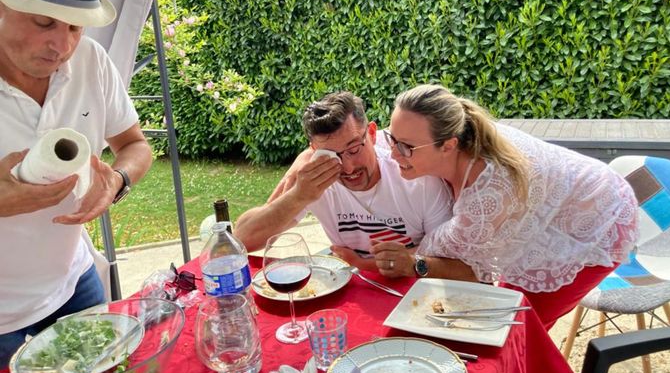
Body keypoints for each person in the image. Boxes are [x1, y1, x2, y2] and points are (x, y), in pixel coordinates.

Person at [0, 0, 152, 368]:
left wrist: (118, 180)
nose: (61, 46)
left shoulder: (91, 61)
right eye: (44, 22)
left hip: (75, 281)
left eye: (74, 27)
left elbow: (135, 145)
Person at [385, 84, 639, 329]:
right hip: (561, 202)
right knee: (503, 313)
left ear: (448, 145)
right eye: (391, 138)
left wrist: (397, 258)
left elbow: (443, 252)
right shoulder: (464, 135)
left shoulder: (488, 193)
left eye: (406, 147)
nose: (393, 153)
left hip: (600, 222)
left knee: (519, 326)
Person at [235, 92, 473, 278]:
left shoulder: (416, 175)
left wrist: (406, 262)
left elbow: (458, 263)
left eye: (354, 149)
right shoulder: (312, 179)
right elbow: (242, 240)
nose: (348, 168)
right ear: (314, 151)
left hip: (415, 290)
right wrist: (298, 196)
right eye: (332, 155)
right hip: (350, 287)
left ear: (372, 134)